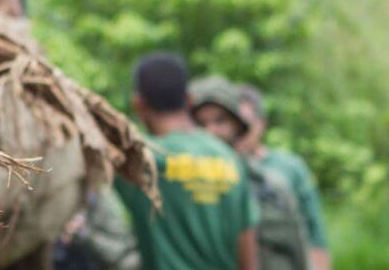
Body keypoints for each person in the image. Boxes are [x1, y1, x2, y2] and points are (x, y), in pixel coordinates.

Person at [114, 53, 259, 270]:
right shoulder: (229, 159)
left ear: (139, 104)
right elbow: (248, 257)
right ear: (189, 99)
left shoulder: (138, 161)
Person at [191, 76, 310, 270]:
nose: (210, 132)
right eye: (201, 124)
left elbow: (299, 253)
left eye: (220, 121)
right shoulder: (175, 189)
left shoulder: (271, 188)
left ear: (237, 126)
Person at [236, 84, 332, 270]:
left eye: (246, 124)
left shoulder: (290, 167)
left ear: (261, 123)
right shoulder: (222, 167)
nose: (239, 131)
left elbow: (315, 231)